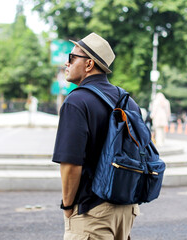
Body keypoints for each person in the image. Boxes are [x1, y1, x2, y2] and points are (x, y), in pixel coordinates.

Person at [52, 32, 140, 240]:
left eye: (72, 57)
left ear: (89, 64)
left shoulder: (77, 102)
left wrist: (67, 207)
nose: (67, 62)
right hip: (126, 209)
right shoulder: (127, 101)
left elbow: (71, 165)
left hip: (92, 212)